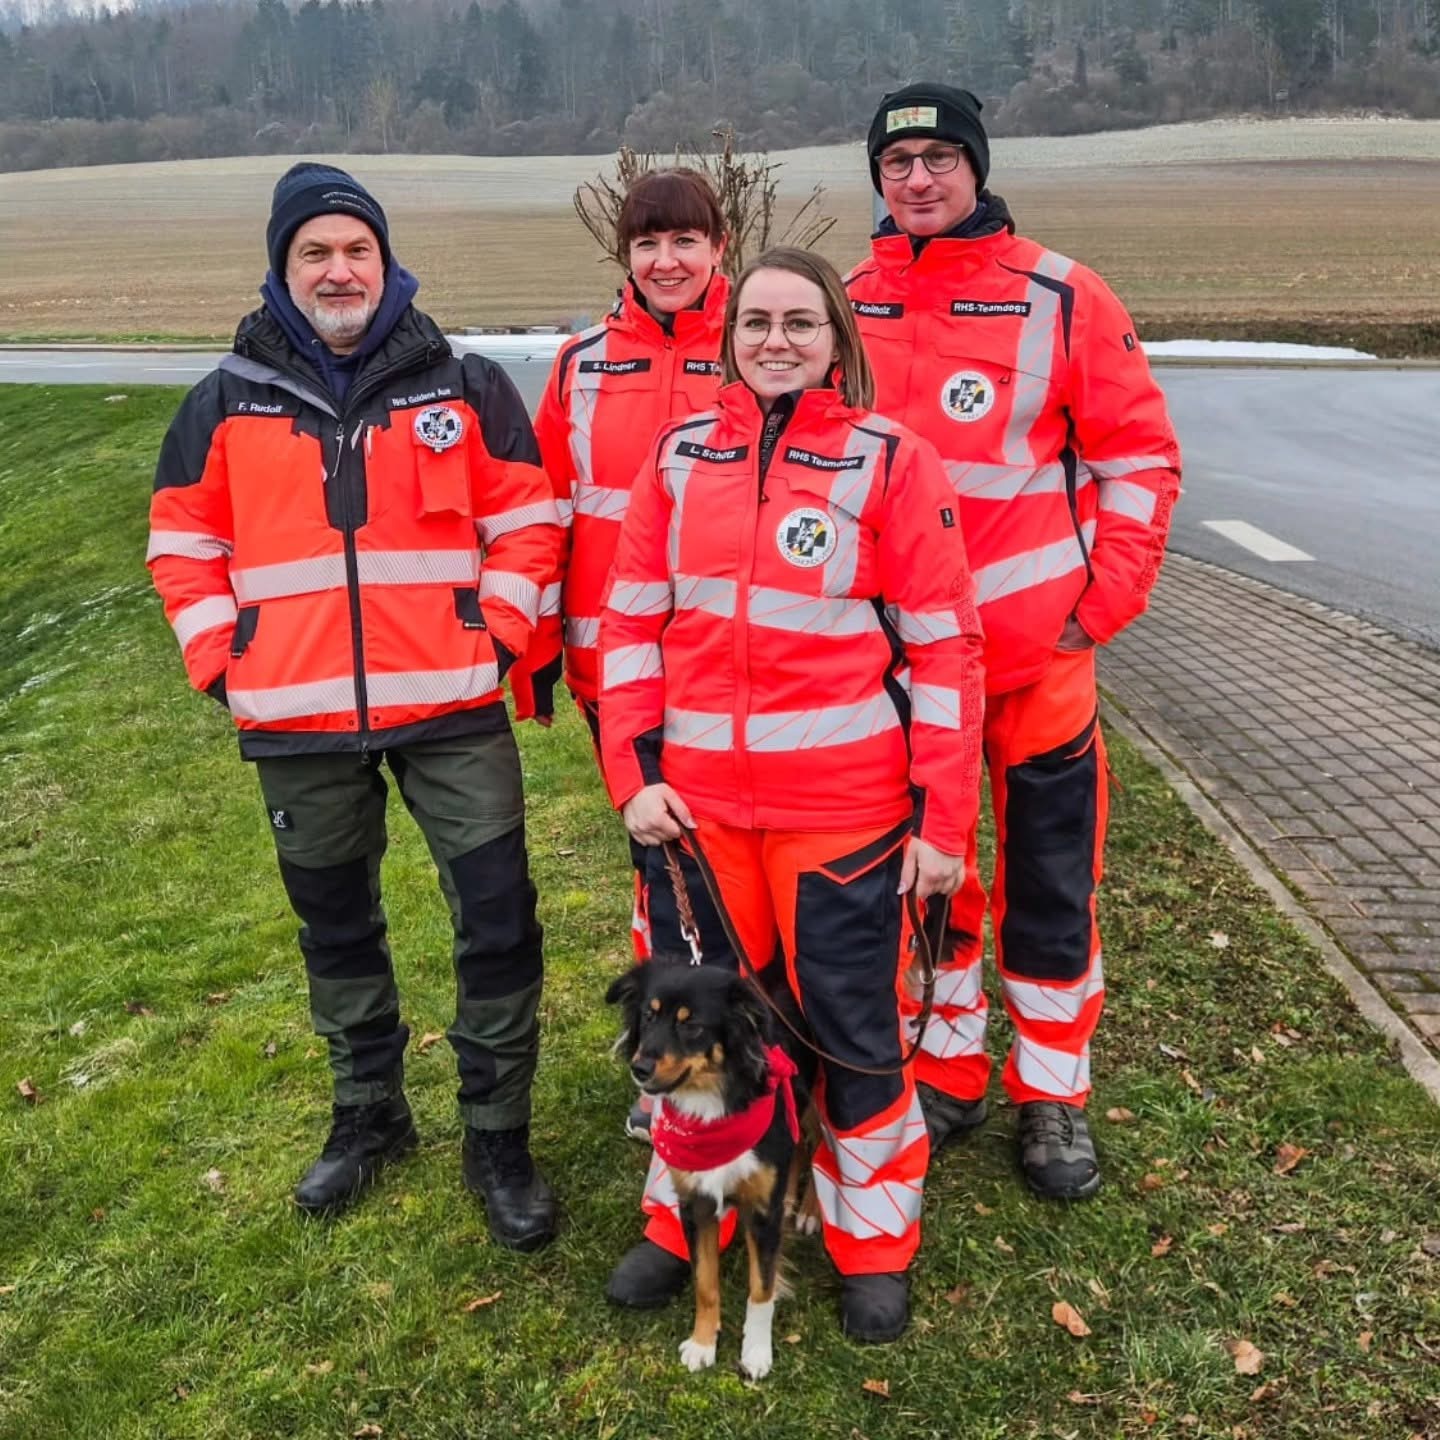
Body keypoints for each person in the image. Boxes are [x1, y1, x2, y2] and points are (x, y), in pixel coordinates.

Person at [146, 163, 565, 1251]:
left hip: (454, 708)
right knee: (335, 928)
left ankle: (497, 1136)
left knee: (498, 921)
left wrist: (497, 634)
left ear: (386, 261)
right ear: (283, 270)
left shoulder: (465, 384)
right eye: (315, 253)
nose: (339, 271)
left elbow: (530, 524)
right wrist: (225, 661)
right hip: (294, 717)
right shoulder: (222, 401)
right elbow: (182, 546)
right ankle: (370, 1112)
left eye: (356, 250)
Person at [596, 247, 986, 1342]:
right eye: (757, 321)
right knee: (698, 1028)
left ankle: (874, 1242)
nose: (776, 341)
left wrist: (943, 822)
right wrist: (633, 777)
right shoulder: (678, 457)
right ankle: (684, 1220)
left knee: (854, 1034)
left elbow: (946, 651)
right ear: (730, 337)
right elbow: (629, 624)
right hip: (700, 818)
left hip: (843, 820)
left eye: (800, 322)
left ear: (836, 340)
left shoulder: (891, 461)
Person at [847, 83, 1182, 1201]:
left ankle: (1053, 1092)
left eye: (941, 158)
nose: (919, 180)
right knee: (929, 882)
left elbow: (1139, 458)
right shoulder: (849, 305)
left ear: (977, 168)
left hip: (1039, 666)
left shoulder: (1062, 294)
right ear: (878, 179)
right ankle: (949, 1067)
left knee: (1049, 886)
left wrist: (1104, 603)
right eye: (898, 164)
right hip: (904, 674)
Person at [509, 168, 730, 1142]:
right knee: (660, 865)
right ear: (625, 255)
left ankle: (740, 1043)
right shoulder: (581, 364)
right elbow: (545, 510)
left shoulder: (761, 342)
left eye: (685, 241)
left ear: (718, 247)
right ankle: (667, 1064)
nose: (666, 261)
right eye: (648, 243)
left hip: (733, 665)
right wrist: (537, 649)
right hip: (617, 669)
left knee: (729, 863)